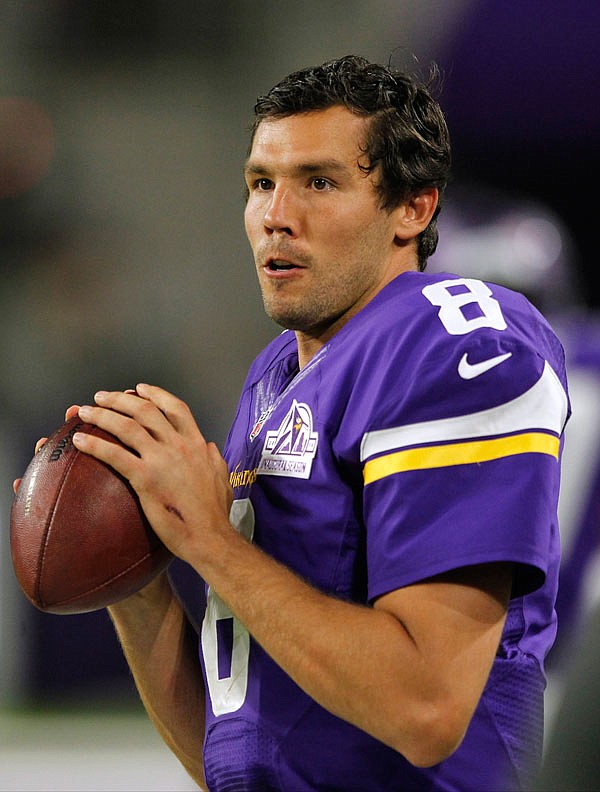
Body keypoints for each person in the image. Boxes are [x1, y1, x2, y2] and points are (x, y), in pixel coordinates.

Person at [18, 56, 570, 791]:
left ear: (414, 208)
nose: (277, 214)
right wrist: (138, 583)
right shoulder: (278, 375)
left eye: (319, 181)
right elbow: (237, 756)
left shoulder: (450, 342)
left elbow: (426, 708)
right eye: (260, 183)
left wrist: (208, 541)